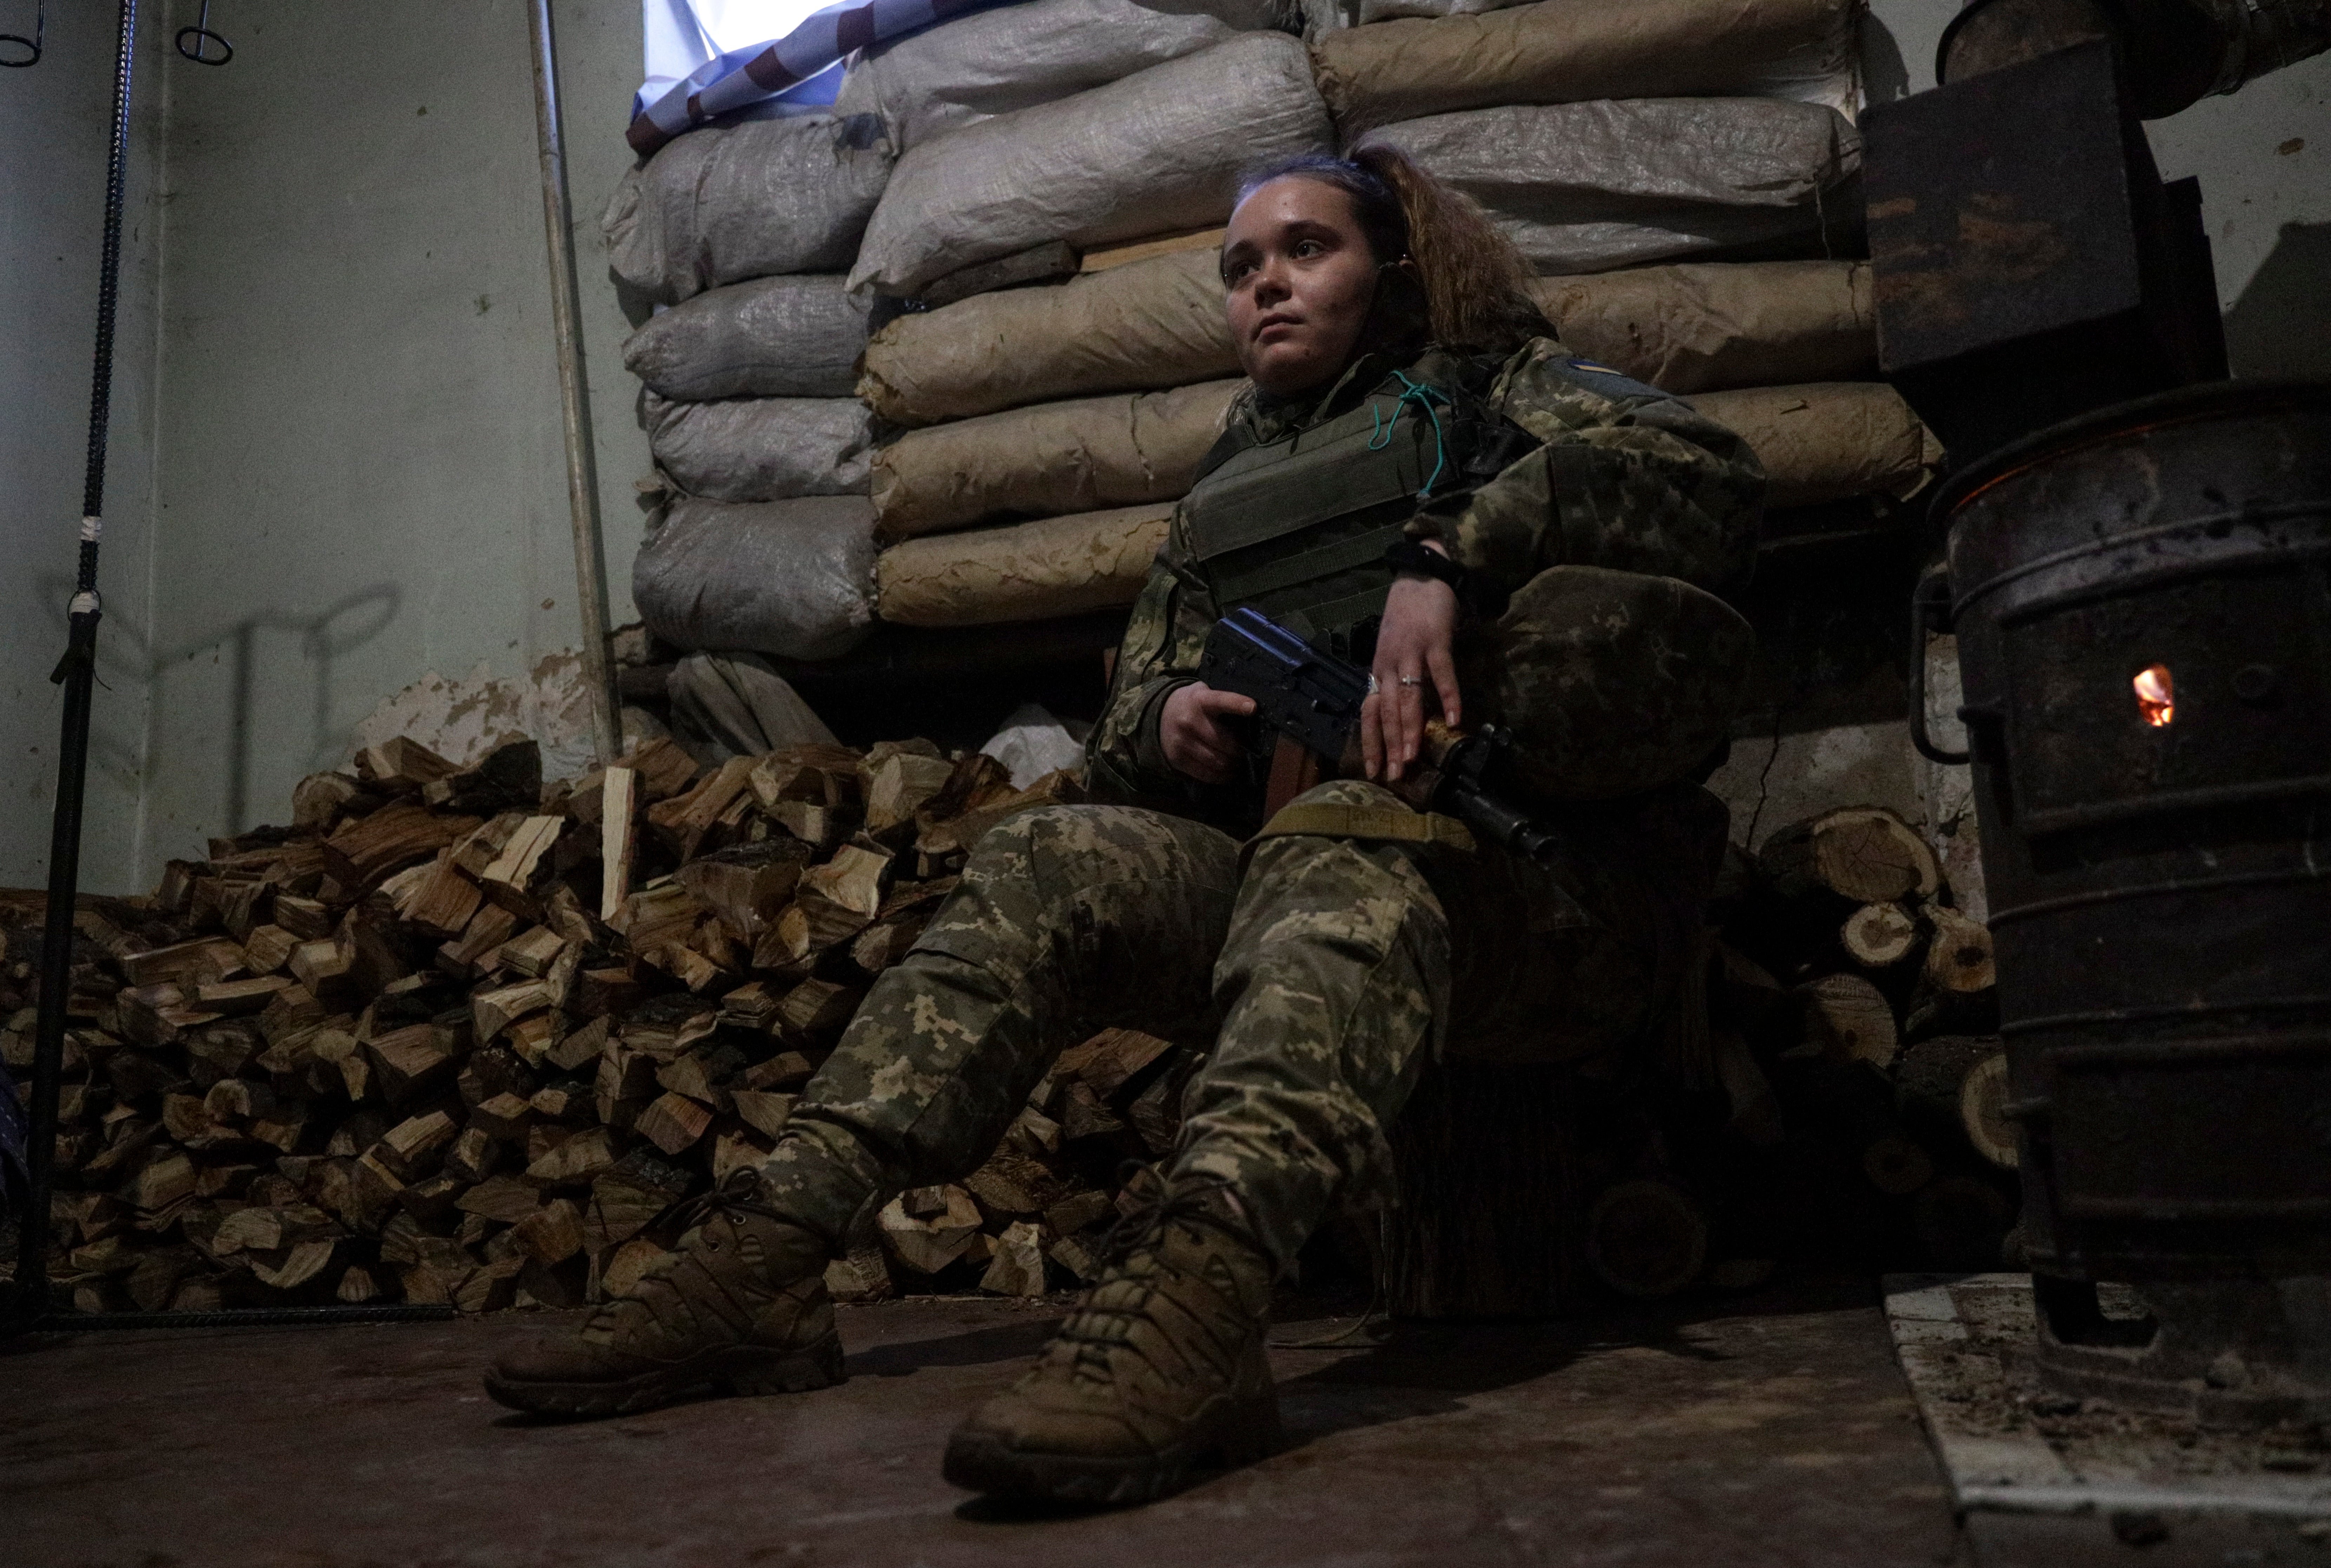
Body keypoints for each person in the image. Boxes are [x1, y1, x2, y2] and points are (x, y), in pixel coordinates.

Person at [484, 146, 1765, 1505]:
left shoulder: (1499, 390)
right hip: (1308, 890)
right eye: (1240, 266)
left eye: (1306, 250)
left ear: (1395, 269)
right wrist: (1164, 723)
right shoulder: (1234, 482)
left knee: (1345, 834)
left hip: (1536, 906)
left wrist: (1450, 555)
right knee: (1048, 854)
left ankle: (1198, 1303)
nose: (1266, 282)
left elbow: (1707, 468)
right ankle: (768, 1252)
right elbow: (1121, 735)